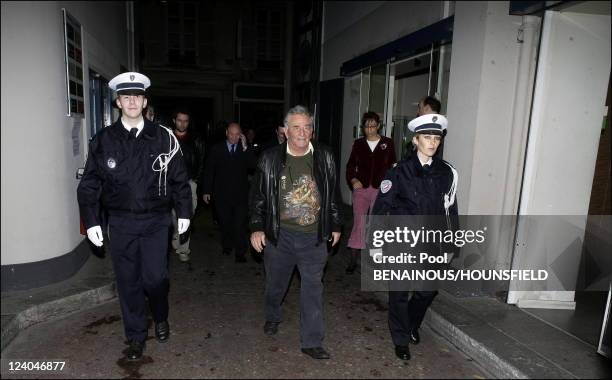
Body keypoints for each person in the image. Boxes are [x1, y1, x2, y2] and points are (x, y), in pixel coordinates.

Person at [77, 72, 192, 361]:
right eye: (126, 96)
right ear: (117, 101)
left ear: (144, 101)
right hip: (121, 222)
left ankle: (161, 315)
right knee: (128, 281)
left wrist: (185, 212)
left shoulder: (163, 137)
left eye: (137, 96)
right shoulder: (104, 140)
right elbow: (90, 184)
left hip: (155, 221)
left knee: (156, 279)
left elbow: (179, 180)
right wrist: (92, 221)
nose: (131, 101)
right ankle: (136, 336)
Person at [249, 105, 342, 360]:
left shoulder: (325, 156)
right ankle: (272, 315)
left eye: (307, 127)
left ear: (312, 131)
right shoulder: (269, 158)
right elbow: (257, 197)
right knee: (275, 285)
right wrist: (257, 228)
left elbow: (333, 194)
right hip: (280, 236)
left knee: (313, 287)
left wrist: (335, 224)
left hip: (314, 236)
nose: (302, 132)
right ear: (285, 131)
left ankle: (311, 341)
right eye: (297, 127)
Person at [371, 110, 458, 361]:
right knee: (398, 293)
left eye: (437, 138)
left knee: (426, 291)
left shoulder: (447, 172)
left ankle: (411, 323)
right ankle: (400, 338)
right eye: (426, 137)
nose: (432, 142)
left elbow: (451, 208)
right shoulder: (398, 171)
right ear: (415, 140)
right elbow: (380, 209)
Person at [345, 111, 396, 274]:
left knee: (377, 225)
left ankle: (375, 260)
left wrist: (388, 186)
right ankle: (353, 259)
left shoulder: (387, 143)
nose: (369, 129)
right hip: (362, 189)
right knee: (359, 223)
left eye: (373, 126)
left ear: (378, 126)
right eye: (366, 126)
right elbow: (350, 166)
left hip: (380, 190)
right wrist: (353, 180)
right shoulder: (359, 144)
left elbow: (393, 167)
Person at [202, 122, 253, 262]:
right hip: (221, 195)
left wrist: (245, 146)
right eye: (231, 134)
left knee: (240, 225)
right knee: (225, 223)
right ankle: (227, 245)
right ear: (226, 133)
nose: (234, 137)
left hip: (240, 195)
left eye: (237, 134)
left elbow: (253, 165)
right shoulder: (216, 149)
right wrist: (206, 190)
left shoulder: (244, 149)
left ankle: (240, 252)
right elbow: (209, 170)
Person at [171, 108, 205, 262]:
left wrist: (196, 180)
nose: (182, 123)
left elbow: (202, 160)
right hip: (170, 183)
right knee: (173, 215)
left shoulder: (195, 139)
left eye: (185, 121)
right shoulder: (167, 137)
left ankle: (184, 248)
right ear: (174, 120)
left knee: (187, 215)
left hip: (189, 182)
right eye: (179, 120)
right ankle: (176, 234)